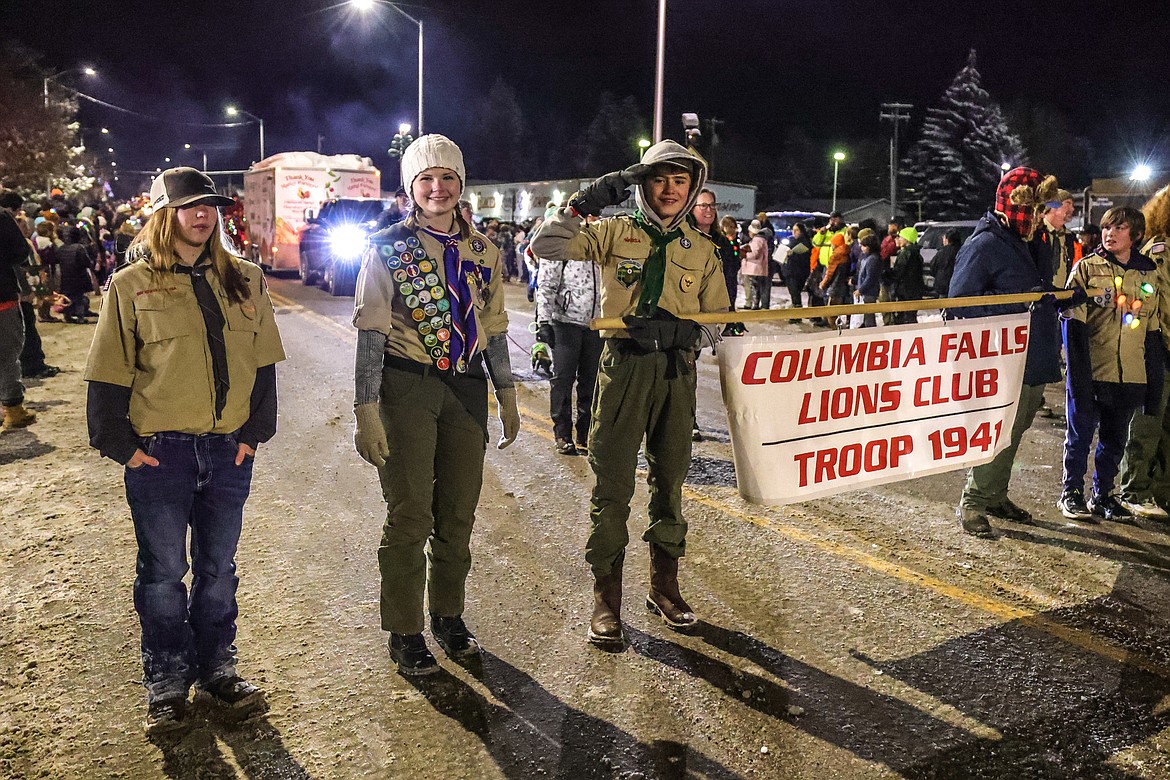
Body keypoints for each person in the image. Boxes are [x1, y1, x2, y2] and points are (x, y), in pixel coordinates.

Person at [84, 167, 286, 733]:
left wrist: (253, 435)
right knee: (163, 572)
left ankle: (219, 670)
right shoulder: (131, 285)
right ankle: (168, 682)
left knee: (219, 569)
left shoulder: (245, 279)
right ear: (162, 216)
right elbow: (107, 374)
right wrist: (122, 447)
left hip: (227, 452)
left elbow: (265, 365)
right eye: (190, 207)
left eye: (210, 207)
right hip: (161, 452)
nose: (203, 216)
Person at [530, 140, 730, 647]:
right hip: (623, 369)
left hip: (675, 374)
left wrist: (686, 335)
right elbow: (546, 247)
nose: (669, 190)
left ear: (694, 189)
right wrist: (584, 203)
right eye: (659, 179)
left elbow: (717, 318)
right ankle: (606, 598)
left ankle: (664, 588)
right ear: (642, 185)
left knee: (670, 483)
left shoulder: (703, 249)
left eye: (680, 181)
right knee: (613, 485)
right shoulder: (614, 232)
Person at [351, 134, 520, 676]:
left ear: (461, 185)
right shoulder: (387, 247)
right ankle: (405, 629)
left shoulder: (483, 250)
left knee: (458, 513)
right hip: (406, 387)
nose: (438, 187)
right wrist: (365, 408)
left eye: (448, 177)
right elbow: (372, 332)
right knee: (409, 514)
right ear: (411, 188)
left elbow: (493, 327)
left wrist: (508, 392)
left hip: (466, 387)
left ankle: (448, 616)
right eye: (427, 179)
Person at [949, 167, 1068, 538]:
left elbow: (1039, 290)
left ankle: (995, 494)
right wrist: (1014, 309)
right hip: (1001, 358)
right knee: (998, 430)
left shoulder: (1035, 240)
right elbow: (958, 304)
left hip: (1033, 354)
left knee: (1016, 430)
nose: (1038, 219)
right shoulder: (984, 244)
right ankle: (974, 501)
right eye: (1032, 212)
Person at [1060, 206, 1165, 521]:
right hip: (1092, 371)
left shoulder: (1149, 273)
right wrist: (1077, 376)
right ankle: (1071, 493)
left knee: (1114, 440)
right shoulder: (1086, 269)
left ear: (1134, 234)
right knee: (1079, 436)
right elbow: (1072, 324)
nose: (1110, 233)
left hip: (1130, 374)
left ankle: (1103, 495)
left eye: (1119, 228)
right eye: (1107, 227)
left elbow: (1152, 329)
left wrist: (1152, 382)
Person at [1119, 185, 1170, 517]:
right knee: (1149, 419)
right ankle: (1134, 489)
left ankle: (1161, 488)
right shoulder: (1158, 252)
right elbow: (1148, 302)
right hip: (1157, 346)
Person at [535, 235, 602, 455]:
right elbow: (546, 283)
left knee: (591, 382)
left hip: (597, 324)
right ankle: (562, 433)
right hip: (565, 322)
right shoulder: (562, 240)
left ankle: (585, 432)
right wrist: (543, 321)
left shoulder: (603, 240)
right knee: (563, 379)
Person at [0, 191, 36, 431]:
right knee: (7, 353)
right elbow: (20, 252)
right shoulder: (2, 218)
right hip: (2, 297)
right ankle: (13, 410)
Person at [883, 226, 925, 324]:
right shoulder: (916, 253)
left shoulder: (905, 254)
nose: (898, 239)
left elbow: (898, 273)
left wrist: (886, 273)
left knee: (904, 318)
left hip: (905, 291)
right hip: (914, 291)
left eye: (900, 237)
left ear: (907, 239)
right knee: (911, 317)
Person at [56, 225, 97, 323]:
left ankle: (68, 315)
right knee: (79, 297)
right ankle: (80, 316)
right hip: (79, 276)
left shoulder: (61, 248)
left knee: (67, 296)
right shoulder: (79, 248)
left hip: (65, 277)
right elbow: (87, 262)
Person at [854, 230, 882, 327]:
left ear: (868, 247)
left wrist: (860, 290)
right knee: (865, 316)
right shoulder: (866, 257)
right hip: (865, 291)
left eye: (863, 246)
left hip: (869, 292)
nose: (861, 248)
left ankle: (871, 334)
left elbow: (870, 278)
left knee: (869, 316)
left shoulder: (873, 259)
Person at [784, 221, 812, 313]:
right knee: (794, 293)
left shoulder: (804, 241)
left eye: (796, 230)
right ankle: (796, 311)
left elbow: (803, 256)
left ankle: (797, 313)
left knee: (795, 293)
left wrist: (792, 254)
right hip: (792, 270)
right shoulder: (792, 240)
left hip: (797, 271)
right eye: (793, 230)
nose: (794, 232)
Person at [741, 220, 769, 310]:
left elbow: (755, 254)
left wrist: (744, 255)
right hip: (755, 268)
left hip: (753, 268)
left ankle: (753, 305)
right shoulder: (759, 240)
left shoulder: (757, 240)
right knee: (756, 287)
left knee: (753, 287)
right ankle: (754, 304)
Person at [932, 227, 963, 297]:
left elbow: (933, 267)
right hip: (959, 287)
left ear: (947, 239)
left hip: (943, 287)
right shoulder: (963, 251)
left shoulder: (942, 252)